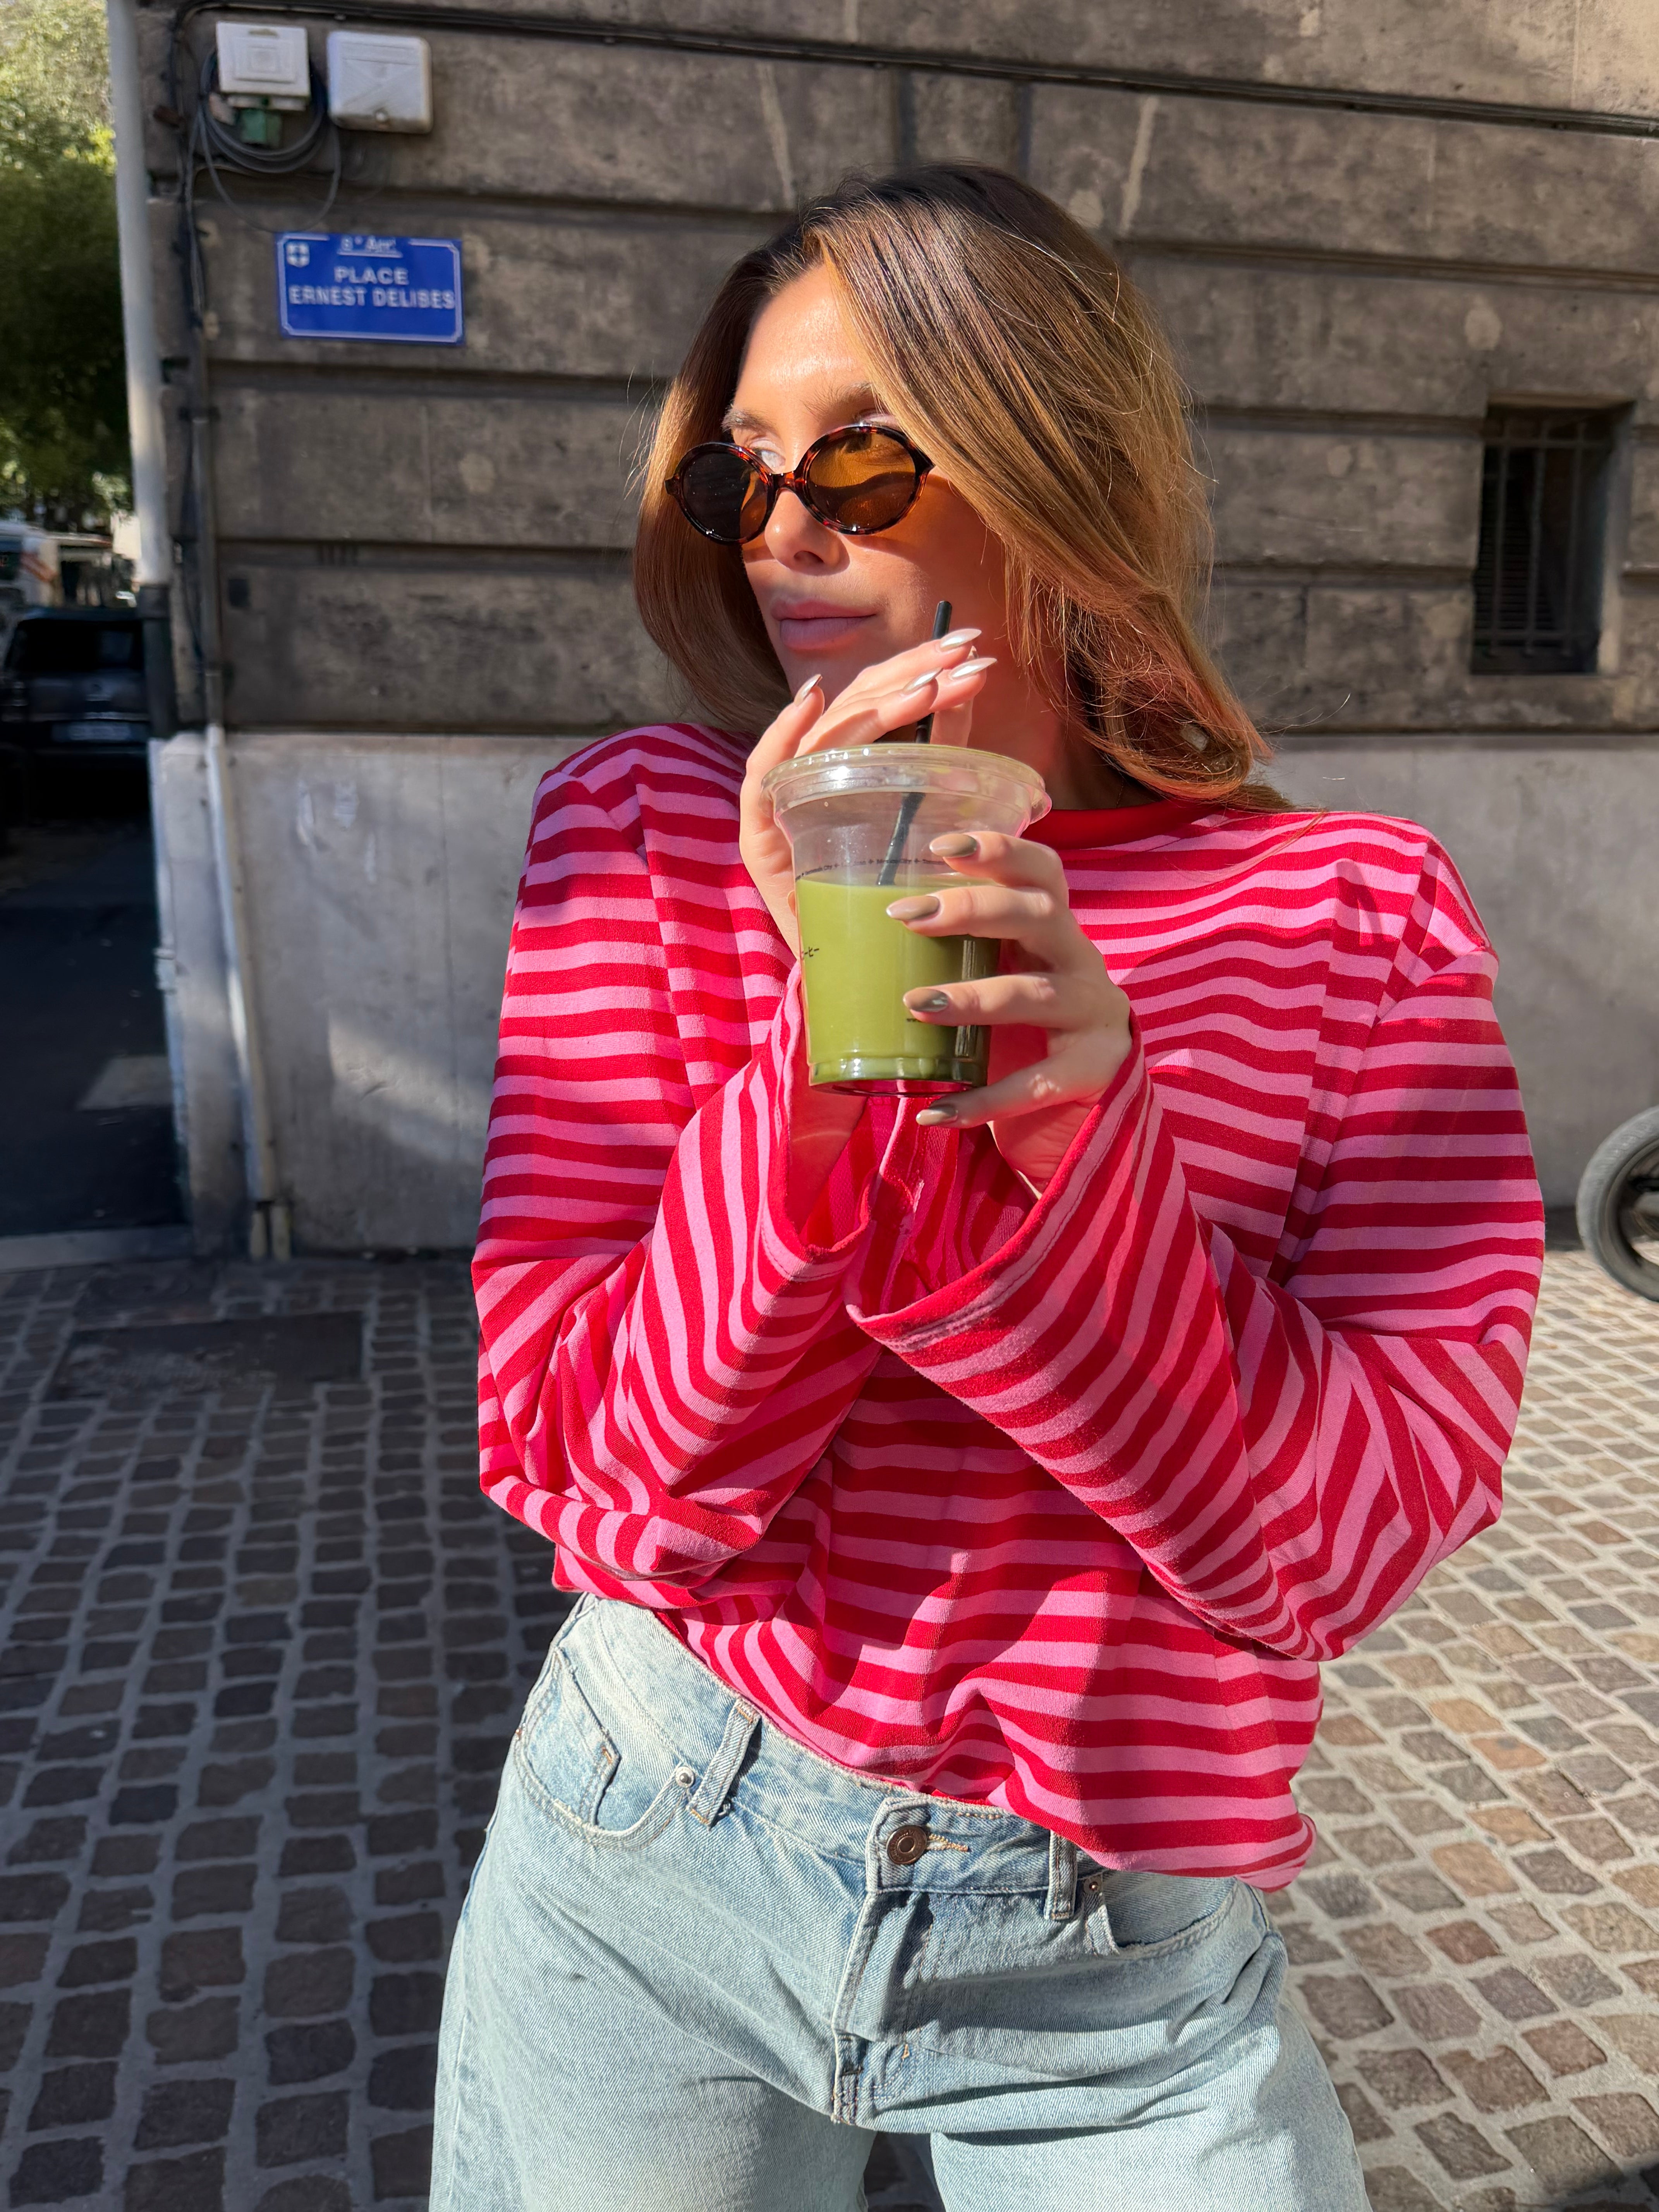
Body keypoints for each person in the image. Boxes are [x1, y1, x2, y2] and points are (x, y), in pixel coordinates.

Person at [433, 164, 1543, 2211]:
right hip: (653, 1835)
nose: (784, 528)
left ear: (1055, 458)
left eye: (855, 454)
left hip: (1117, 1963)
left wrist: (1082, 1147)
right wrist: (824, 1041)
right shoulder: (645, 841)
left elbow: (1336, 1546)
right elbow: (597, 1460)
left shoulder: (1349, 915)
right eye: (737, 478)